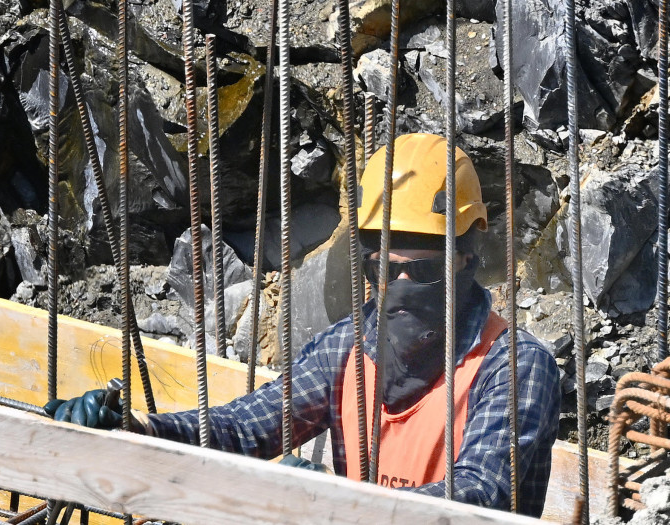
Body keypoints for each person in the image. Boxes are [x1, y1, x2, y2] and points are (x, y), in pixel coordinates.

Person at [45, 133, 561, 517]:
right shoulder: (347, 352)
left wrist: (338, 504)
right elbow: (244, 428)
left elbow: (478, 495)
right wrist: (141, 429)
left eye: (421, 271)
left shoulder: (512, 366)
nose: (400, 285)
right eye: (383, 268)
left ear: (466, 259)